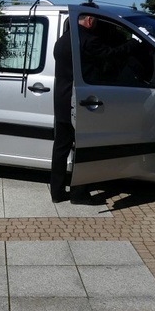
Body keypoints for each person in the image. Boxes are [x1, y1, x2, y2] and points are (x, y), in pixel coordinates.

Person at [50, 14, 142, 205]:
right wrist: (133, 44)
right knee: (85, 147)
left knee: (61, 147)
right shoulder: (88, 40)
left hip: (62, 99)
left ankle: (57, 192)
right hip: (80, 101)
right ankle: (78, 193)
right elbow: (111, 55)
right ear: (90, 20)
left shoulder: (62, 40)